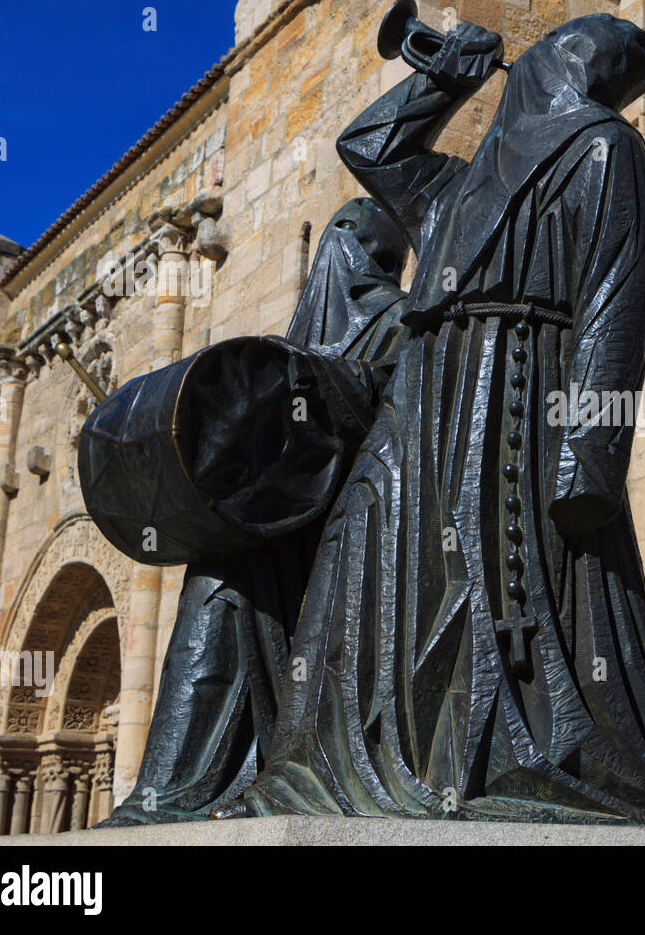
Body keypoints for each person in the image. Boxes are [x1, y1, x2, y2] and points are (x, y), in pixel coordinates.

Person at [222, 14, 645, 830]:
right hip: (427, 394)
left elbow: (614, 300)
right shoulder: (462, 181)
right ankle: (342, 760)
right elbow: (369, 149)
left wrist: (590, 454)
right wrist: (442, 79)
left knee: (510, 584)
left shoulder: (606, 146)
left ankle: (490, 757)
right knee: (364, 549)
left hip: (520, 394)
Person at [88, 199, 409, 825]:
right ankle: (172, 788)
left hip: (353, 530)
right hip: (279, 527)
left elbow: (400, 420)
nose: (336, 251)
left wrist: (325, 387)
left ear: (376, 253)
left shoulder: (402, 324)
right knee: (213, 584)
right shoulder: (295, 338)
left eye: (351, 236)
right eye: (333, 233)